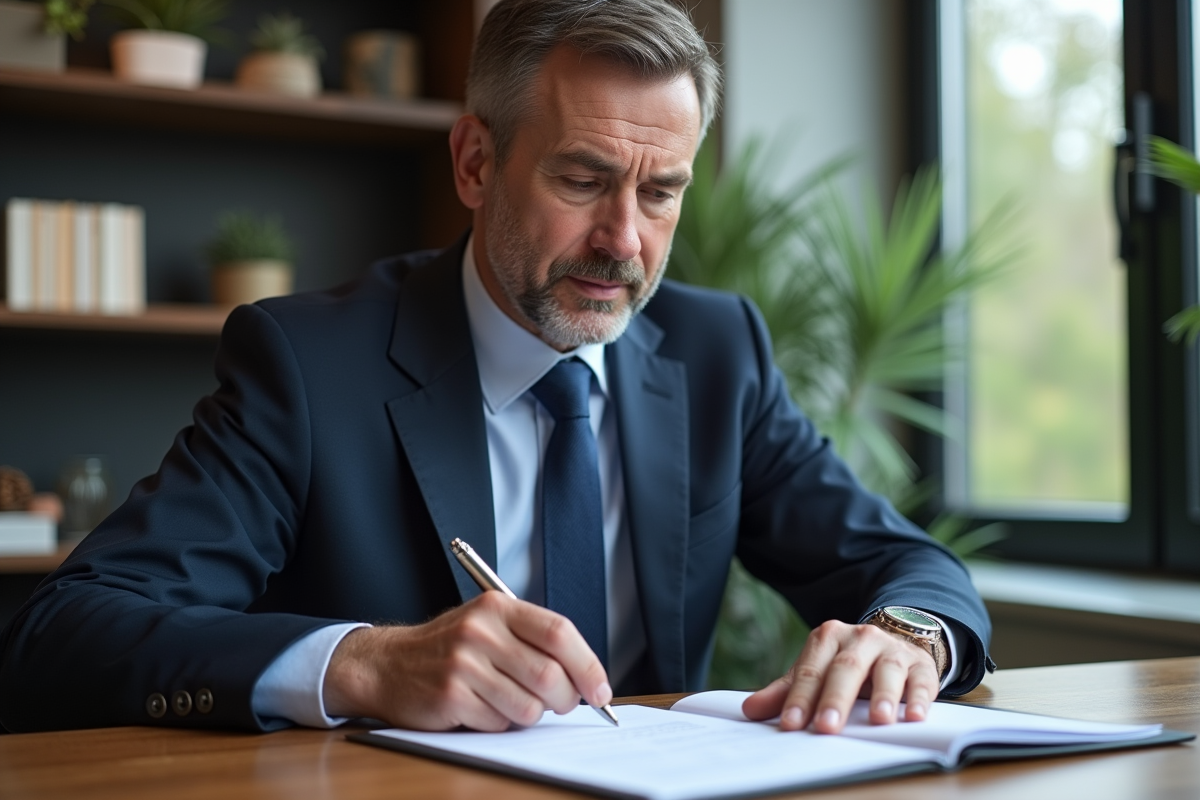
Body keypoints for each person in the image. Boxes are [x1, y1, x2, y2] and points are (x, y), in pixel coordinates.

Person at [0, 0, 992, 736]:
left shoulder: (716, 352)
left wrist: (906, 635)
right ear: (475, 163)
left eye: (661, 192)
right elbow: (62, 631)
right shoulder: (308, 365)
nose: (625, 241)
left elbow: (911, 567)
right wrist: (364, 663)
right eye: (583, 179)